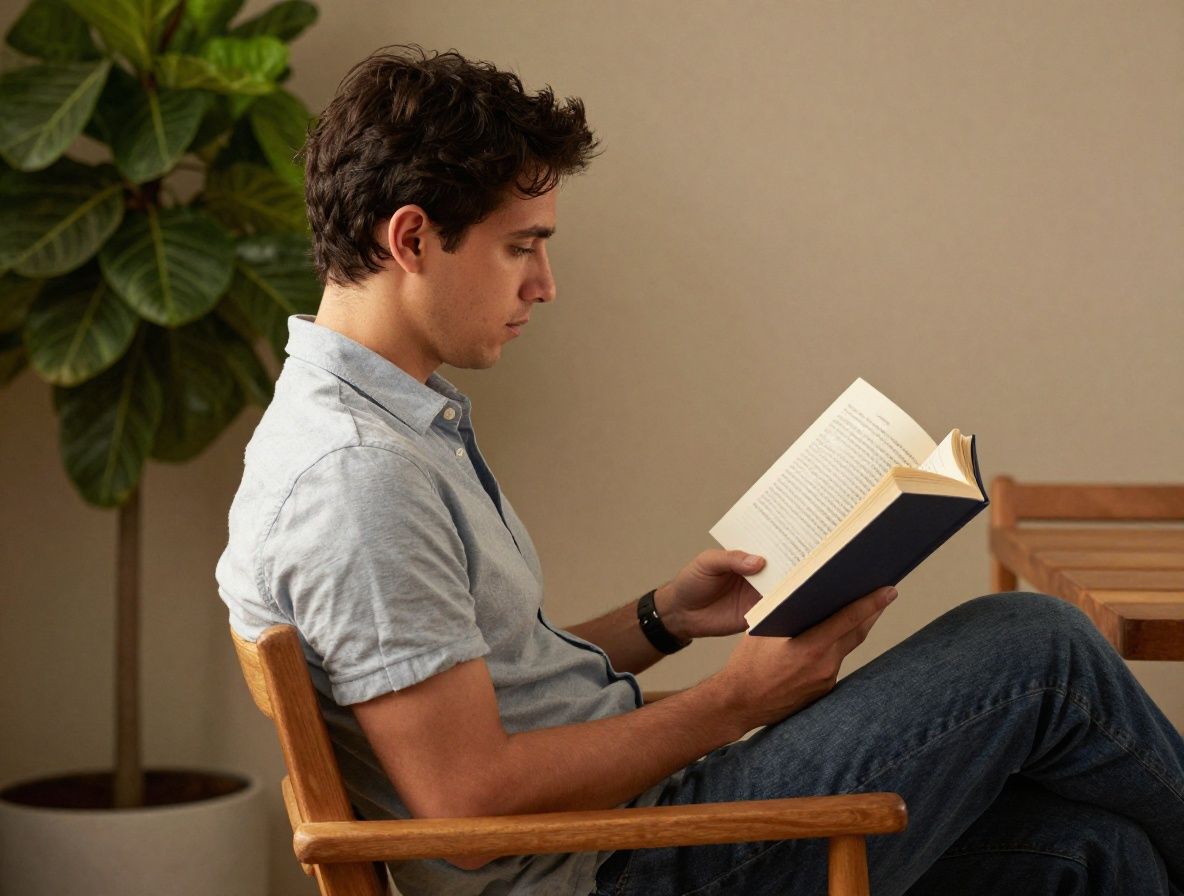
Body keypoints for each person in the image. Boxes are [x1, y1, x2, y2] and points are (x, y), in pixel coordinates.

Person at [216, 46, 1184, 896]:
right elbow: (463, 795)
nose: (543, 285)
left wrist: (663, 617)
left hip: (617, 832)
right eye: (522, 247)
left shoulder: (382, 427)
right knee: (1032, 643)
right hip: (609, 865)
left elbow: (489, 684)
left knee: (1088, 851)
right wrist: (738, 697)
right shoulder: (358, 478)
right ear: (413, 237)